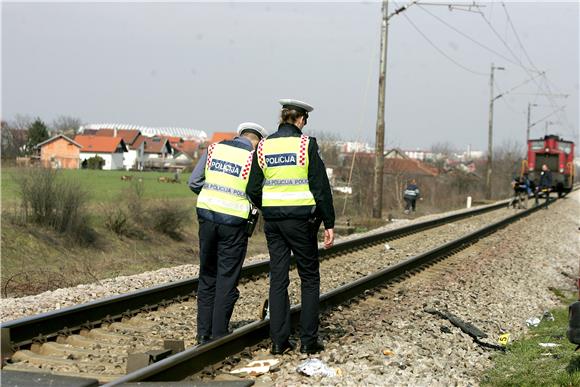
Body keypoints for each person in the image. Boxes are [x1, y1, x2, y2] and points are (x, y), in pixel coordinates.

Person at [247, 99, 335, 355]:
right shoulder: (307, 144)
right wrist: (329, 222)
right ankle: (308, 341)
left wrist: (271, 207)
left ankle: (278, 342)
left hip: (273, 222)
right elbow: (320, 187)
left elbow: (252, 188)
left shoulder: (263, 146)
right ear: (300, 120)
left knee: (278, 277)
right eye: (305, 120)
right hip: (301, 221)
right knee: (309, 278)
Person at [188, 122, 269, 344]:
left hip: (206, 217)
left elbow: (194, 182)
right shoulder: (254, 158)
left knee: (207, 275)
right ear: (258, 142)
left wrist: (211, 192)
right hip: (234, 223)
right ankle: (219, 333)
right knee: (226, 278)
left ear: (239, 135)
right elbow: (255, 190)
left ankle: (203, 332)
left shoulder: (214, 149)